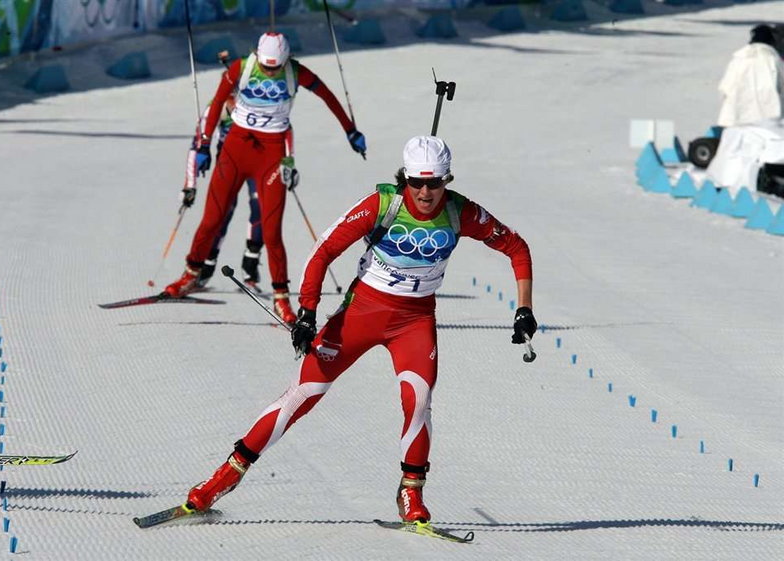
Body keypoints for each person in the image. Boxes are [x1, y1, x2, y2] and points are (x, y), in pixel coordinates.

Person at [181, 136, 536, 525]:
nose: (425, 192)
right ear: (405, 178)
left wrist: (524, 309)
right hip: (361, 314)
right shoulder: (384, 204)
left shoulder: (461, 212)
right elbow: (323, 251)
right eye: (416, 181)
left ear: (446, 181)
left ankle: (411, 493)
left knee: (417, 399)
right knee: (304, 393)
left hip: (414, 321)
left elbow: (517, 248)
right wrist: (307, 314)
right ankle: (221, 479)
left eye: (434, 183)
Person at [164, 32, 367, 325]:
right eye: (266, 66)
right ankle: (190, 275)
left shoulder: (295, 72)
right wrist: (205, 144)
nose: (270, 71)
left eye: (275, 67)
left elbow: (328, 96)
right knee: (212, 220)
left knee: (271, 232)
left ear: (285, 60)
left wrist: (350, 130)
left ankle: (281, 299)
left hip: (270, 155)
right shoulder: (241, 68)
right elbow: (218, 101)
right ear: (257, 56)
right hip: (235, 149)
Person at [182, 73, 269, 292]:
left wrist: (285, 161)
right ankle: (204, 270)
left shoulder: (261, 102)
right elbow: (197, 143)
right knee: (222, 213)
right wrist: (190, 185)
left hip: (257, 162)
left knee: (260, 208)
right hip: (228, 163)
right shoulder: (218, 105)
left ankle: (250, 270)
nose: (232, 97)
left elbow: (282, 129)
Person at [717, 24, 784, 127]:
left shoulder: (738, 58)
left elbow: (725, 86)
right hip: (768, 121)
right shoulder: (772, 59)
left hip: (735, 119)